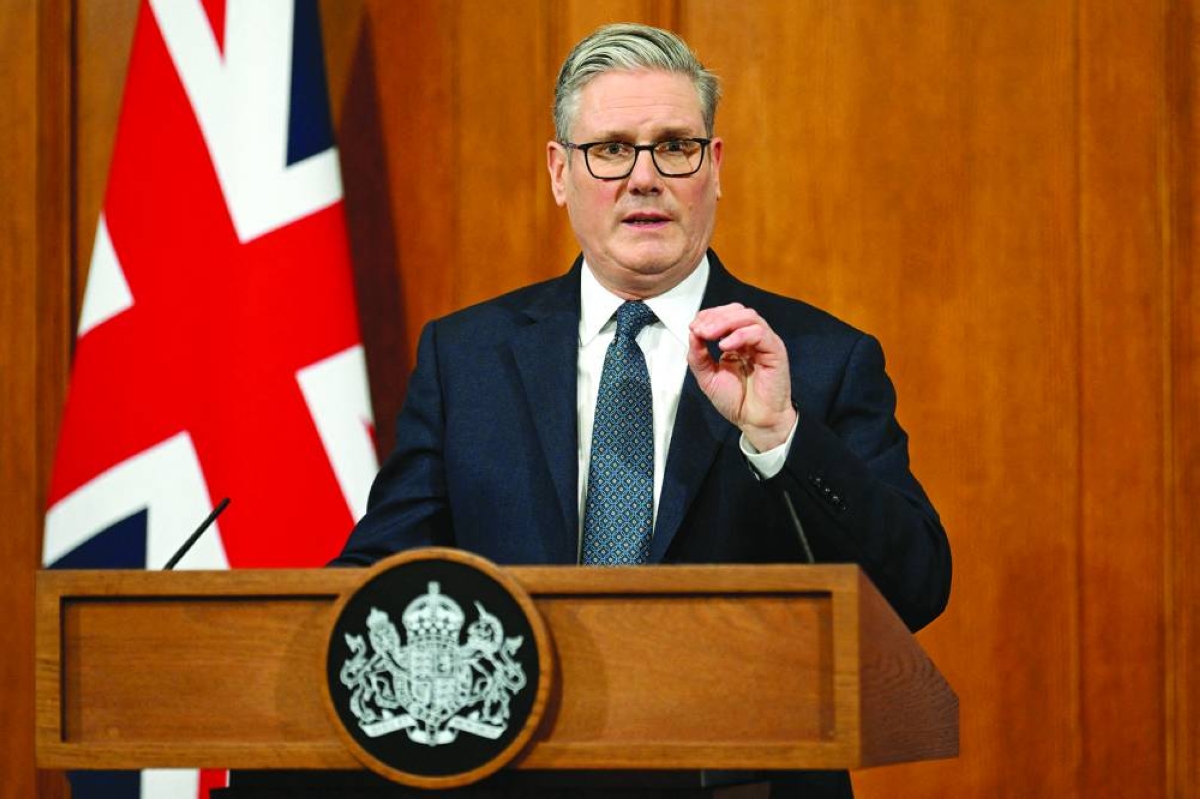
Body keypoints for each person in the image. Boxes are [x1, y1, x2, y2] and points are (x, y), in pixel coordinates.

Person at [334, 22, 951, 798]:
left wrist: (781, 435)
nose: (645, 176)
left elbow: (917, 585)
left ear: (714, 167)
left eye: (675, 146)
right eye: (612, 148)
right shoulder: (468, 360)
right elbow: (380, 573)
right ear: (561, 172)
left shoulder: (821, 359)